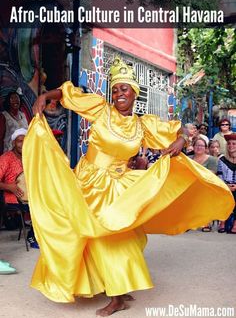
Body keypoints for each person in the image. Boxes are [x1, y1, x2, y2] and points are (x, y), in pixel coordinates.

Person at [23, 57, 234, 316]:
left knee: (110, 236)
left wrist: (180, 139)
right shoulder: (101, 109)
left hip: (118, 186)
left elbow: (176, 130)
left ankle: (117, 295)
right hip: (87, 182)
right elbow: (69, 94)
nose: (118, 93)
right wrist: (46, 95)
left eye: (124, 89)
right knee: (83, 234)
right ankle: (115, 287)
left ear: (135, 92)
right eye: (115, 89)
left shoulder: (141, 125)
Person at [0, 128, 38, 249]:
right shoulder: (6, 158)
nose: (22, 144)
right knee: (39, 207)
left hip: (29, 197)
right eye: (19, 141)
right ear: (13, 143)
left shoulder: (29, 158)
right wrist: (8, 186)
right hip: (12, 199)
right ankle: (32, 236)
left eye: (25, 141)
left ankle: (40, 235)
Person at [189, 137, 219, 232]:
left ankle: (206, 221)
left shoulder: (212, 160)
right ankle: (187, 221)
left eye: (201, 145)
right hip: (190, 184)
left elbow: (211, 174)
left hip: (206, 184)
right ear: (193, 147)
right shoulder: (188, 159)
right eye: (197, 145)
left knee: (205, 190)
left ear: (206, 148)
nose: (199, 147)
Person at [217, 133, 236, 234]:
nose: (231, 146)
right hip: (225, 186)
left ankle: (235, 224)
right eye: (229, 144)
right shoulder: (222, 159)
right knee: (223, 195)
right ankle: (222, 221)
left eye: (234, 144)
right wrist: (226, 186)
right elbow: (219, 175)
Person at [0, 91, 28, 155]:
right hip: (9, 152)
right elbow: (1, 138)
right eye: (12, 98)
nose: (15, 100)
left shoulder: (23, 115)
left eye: (17, 98)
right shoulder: (4, 116)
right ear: (8, 102)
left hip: (24, 151)